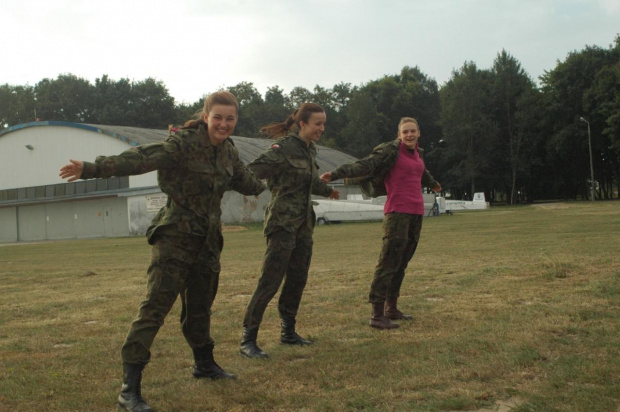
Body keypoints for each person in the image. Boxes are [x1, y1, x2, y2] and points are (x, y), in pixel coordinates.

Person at [59, 91, 266, 412]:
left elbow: (248, 182)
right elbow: (140, 158)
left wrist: (270, 180)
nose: (224, 124)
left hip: (208, 243)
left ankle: (204, 365)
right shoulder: (182, 143)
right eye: (218, 117)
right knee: (154, 309)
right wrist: (91, 168)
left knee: (200, 308)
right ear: (206, 116)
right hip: (174, 239)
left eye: (231, 118)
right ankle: (129, 389)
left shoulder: (228, 152)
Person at [238, 103, 340, 359]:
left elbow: (307, 180)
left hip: (304, 223)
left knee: (297, 278)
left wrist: (327, 190)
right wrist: (251, 189)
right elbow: (252, 170)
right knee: (270, 280)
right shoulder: (282, 149)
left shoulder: (310, 150)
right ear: (302, 124)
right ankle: (248, 339)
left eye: (324, 124)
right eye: (318, 124)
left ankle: (288, 331)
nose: (322, 128)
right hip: (282, 223)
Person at [320, 117, 441, 330]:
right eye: (405, 132)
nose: (410, 135)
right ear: (399, 135)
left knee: (403, 261)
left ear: (419, 133)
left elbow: (423, 173)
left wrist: (433, 184)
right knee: (388, 262)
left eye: (413, 131)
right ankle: (376, 314)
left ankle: (391, 308)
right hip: (397, 213)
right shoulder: (390, 152)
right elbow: (364, 164)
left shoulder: (418, 154)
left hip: (416, 213)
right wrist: (336, 173)